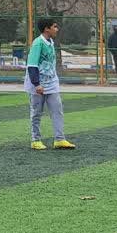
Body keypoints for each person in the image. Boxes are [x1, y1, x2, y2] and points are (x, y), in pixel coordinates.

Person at [26, 18, 76, 151]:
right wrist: (36, 84)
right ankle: (35, 140)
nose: (57, 29)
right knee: (36, 113)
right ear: (46, 29)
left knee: (57, 110)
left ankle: (59, 139)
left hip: (51, 83)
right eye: (54, 26)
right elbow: (32, 65)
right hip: (38, 84)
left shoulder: (51, 42)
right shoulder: (38, 43)